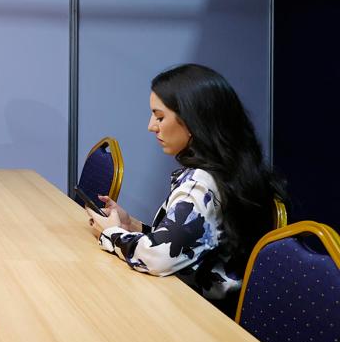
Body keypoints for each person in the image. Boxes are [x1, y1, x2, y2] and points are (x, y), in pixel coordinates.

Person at [88, 64, 286, 316]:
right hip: (215, 309)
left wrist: (111, 233)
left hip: (198, 314)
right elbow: (192, 242)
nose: (151, 126)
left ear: (193, 121)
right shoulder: (230, 170)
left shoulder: (201, 185)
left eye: (160, 117)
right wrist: (132, 225)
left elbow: (157, 257)